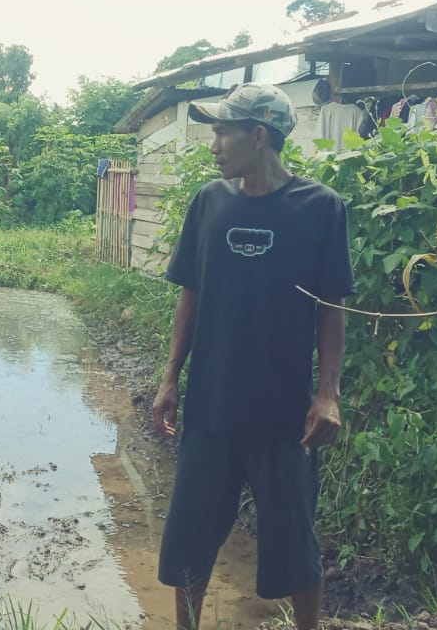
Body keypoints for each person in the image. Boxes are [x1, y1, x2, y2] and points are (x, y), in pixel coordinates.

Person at [151, 82, 354, 630]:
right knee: (191, 538)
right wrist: (170, 379)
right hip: (211, 407)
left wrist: (328, 395)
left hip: (285, 415)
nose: (214, 145)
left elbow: (331, 307)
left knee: (295, 541)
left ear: (258, 136)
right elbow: (190, 295)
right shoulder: (209, 202)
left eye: (223, 132)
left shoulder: (321, 208)